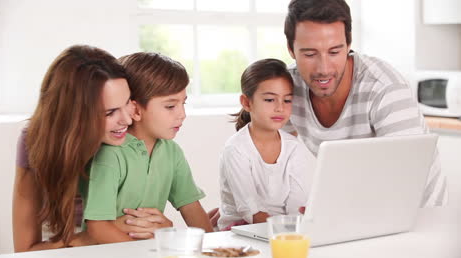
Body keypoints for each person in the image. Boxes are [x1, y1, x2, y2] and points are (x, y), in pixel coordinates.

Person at [283, 0, 447, 206]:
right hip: (354, 211)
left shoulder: (385, 88)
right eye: (309, 54)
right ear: (291, 49)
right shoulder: (287, 88)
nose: (324, 68)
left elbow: (406, 179)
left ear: (349, 45)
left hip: (420, 214)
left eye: (334, 52)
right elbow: (272, 154)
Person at [12, 45, 136, 251]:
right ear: (75, 116)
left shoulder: (132, 137)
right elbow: (25, 251)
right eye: (109, 112)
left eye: (127, 103)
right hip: (62, 246)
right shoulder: (34, 141)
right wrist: (90, 236)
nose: (127, 119)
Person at [81, 52, 213, 244]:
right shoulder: (109, 155)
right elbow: (97, 228)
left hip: (146, 251)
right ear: (135, 110)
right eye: (170, 106)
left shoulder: (171, 152)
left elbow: (191, 208)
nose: (182, 114)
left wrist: (214, 250)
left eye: (183, 104)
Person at [217, 59, 314, 231]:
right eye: (270, 100)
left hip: (283, 229)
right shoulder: (236, 149)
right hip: (240, 230)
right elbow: (250, 211)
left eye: (287, 100)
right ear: (247, 103)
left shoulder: (294, 148)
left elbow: (297, 208)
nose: (280, 108)